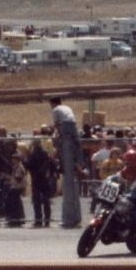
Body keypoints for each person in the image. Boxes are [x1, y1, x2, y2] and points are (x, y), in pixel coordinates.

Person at [49, 96, 83, 228]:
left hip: (66, 127)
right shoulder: (67, 107)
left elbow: (57, 125)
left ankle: (69, 217)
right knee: (76, 144)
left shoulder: (56, 109)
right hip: (73, 126)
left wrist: (58, 136)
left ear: (52, 103)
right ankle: (79, 162)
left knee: (62, 141)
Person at [23, 138, 56, 228]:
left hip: (36, 178)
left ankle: (38, 220)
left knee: (37, 200)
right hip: (45, 178)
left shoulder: (33, 155)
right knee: (46, 200)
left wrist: (25, 159)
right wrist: (52, 173)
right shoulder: (45, 153)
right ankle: (47, 220)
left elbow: (29, 165)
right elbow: (51, 163)